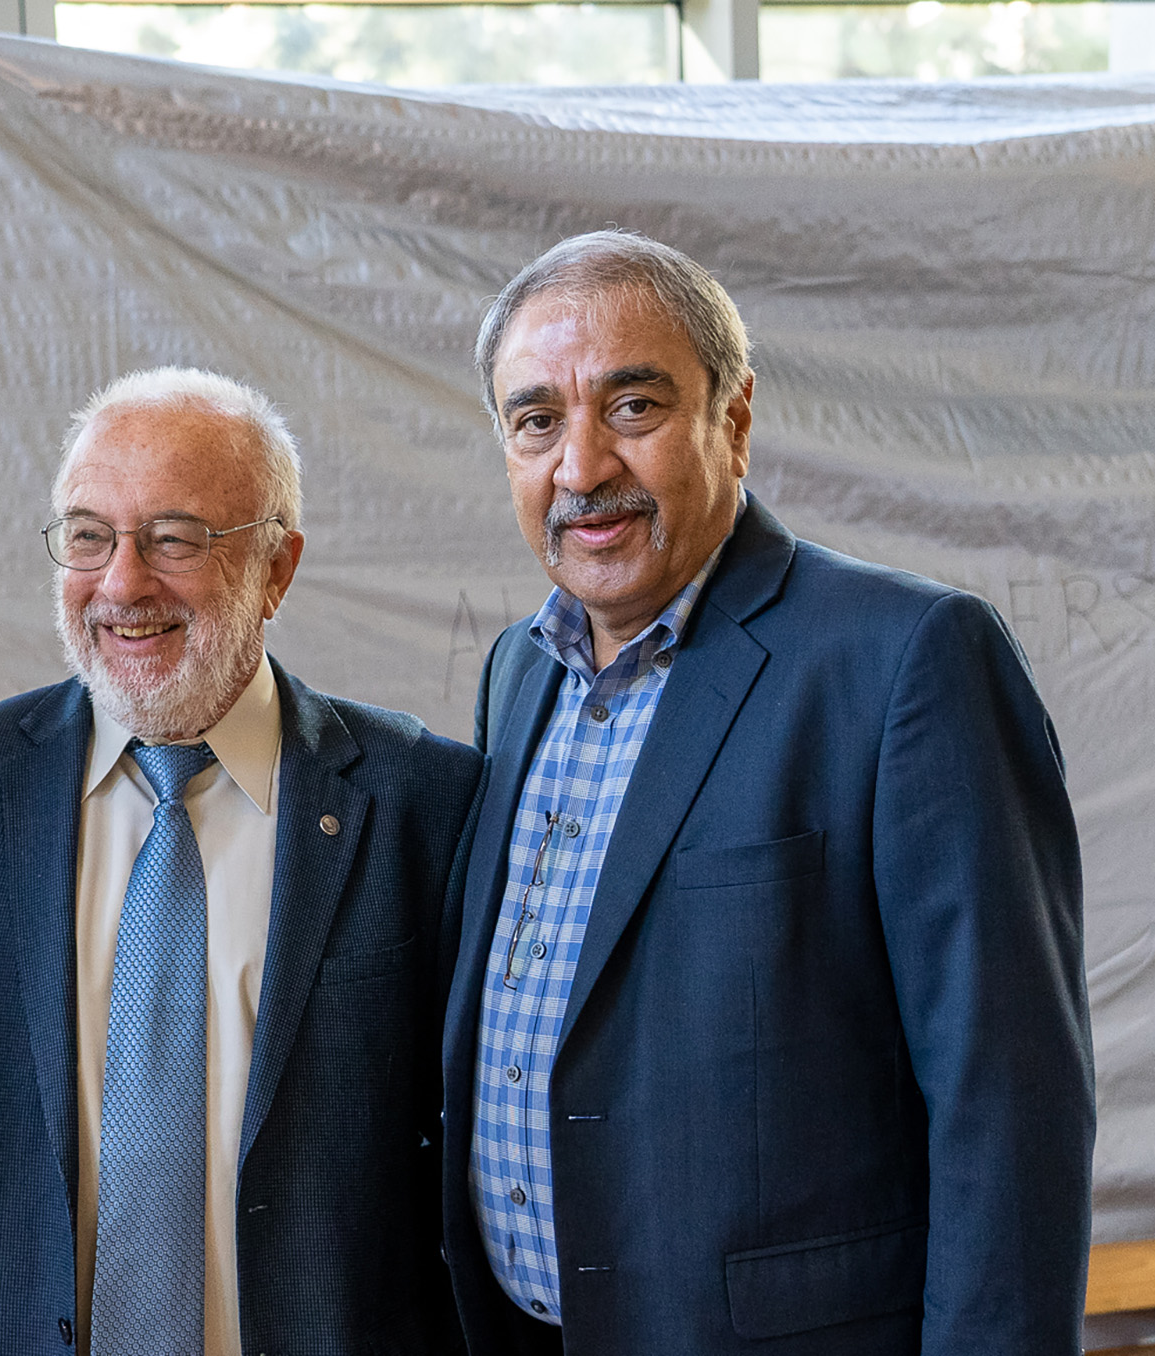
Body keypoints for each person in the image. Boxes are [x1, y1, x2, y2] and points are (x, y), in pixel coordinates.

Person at [443, 231, 1093, 1355]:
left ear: (732, 422)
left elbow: (1011, 1112)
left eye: (633, 407)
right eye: (537, 419)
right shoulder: (518, 672)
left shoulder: (905, 661)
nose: (582, 466)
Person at [0, 367, 481, 1356]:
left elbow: (460, 1185)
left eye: (175, 539)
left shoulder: (424, 804)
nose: (123, 583)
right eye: (89, 536)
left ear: (277, 568)